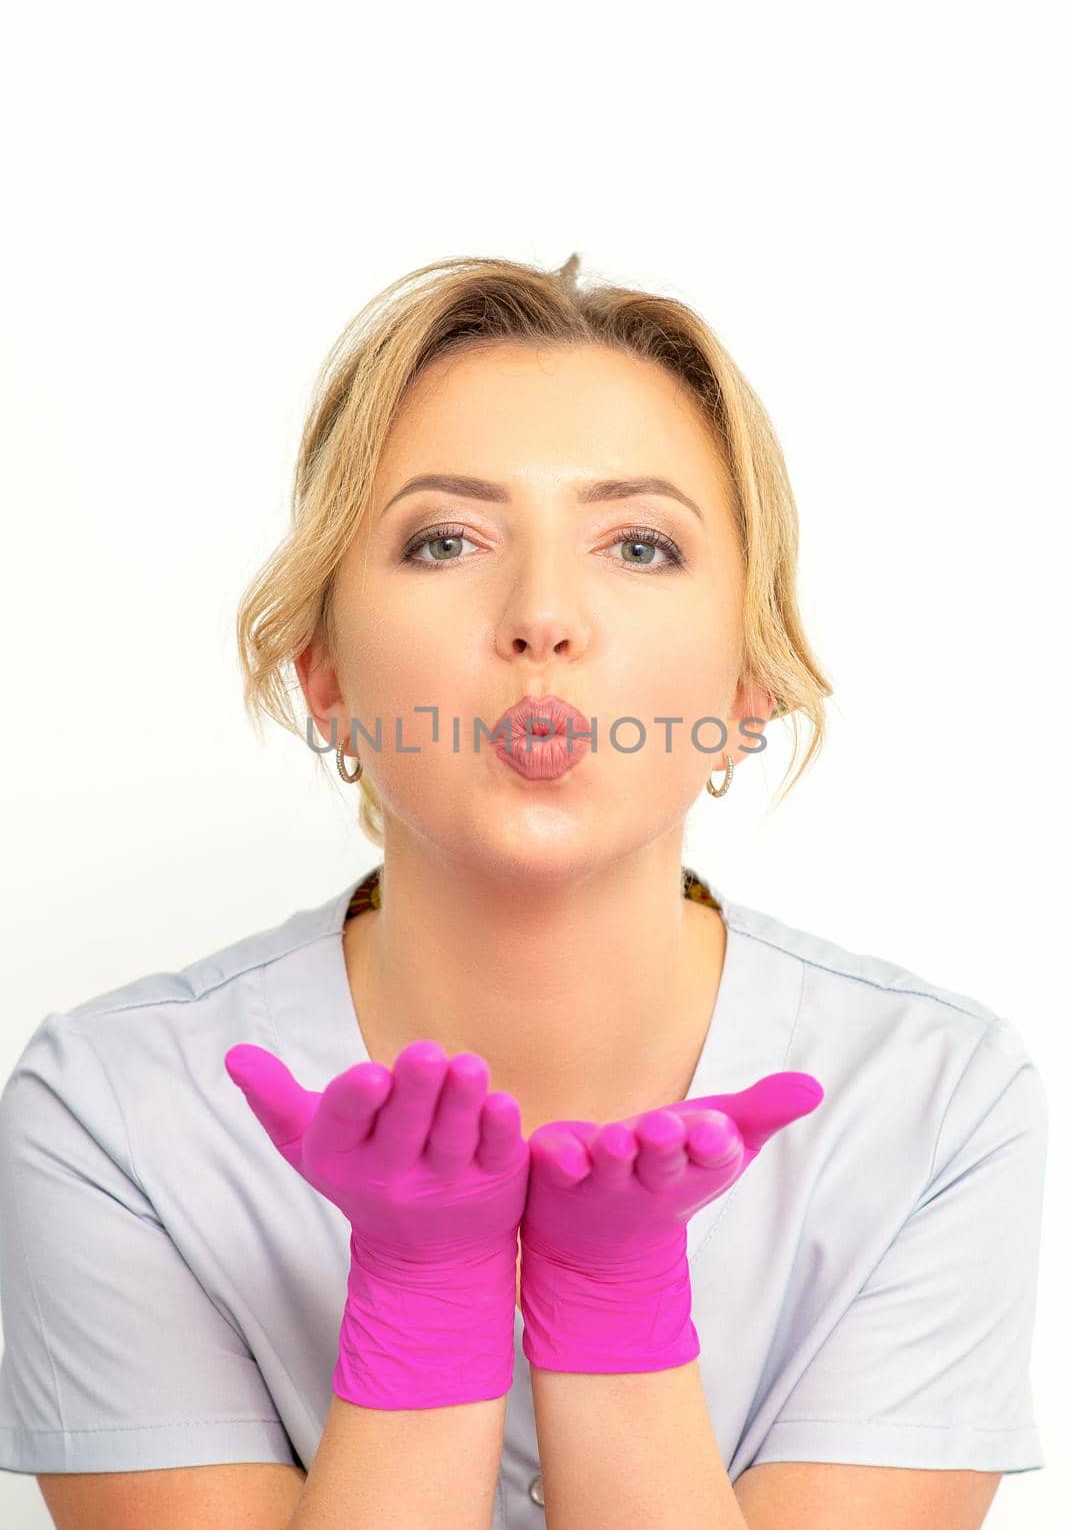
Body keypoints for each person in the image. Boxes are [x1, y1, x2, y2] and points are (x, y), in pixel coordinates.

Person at [0, 254, 1047, 1529]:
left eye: (640, 545)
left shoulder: (937, 1106)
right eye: (445, 539)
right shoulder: (112, 1116)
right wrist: (425, 1293)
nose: (543, 617)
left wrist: (614, 1314)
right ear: (324, 671)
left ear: (746, 686)